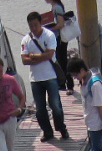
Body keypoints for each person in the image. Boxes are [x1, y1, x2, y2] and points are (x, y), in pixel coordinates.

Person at [21, 12, 69, 142]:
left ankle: (61, 128)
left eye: (35, 25)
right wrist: (39, 58)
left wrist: (33, 57)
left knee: (56, 106)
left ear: (40, 23)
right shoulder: (26, 39)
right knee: (40, 109)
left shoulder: (49, 35)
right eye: (31, 26)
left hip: (50, 76)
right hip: (35, 79)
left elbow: (49, 55)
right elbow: (24, 60)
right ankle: (47, 132)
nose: (33, 28)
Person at [40, 0, 73, 93]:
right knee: (59, 61)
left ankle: (69, 84)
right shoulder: (55, 7)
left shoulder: (57, 8)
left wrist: (50, 29)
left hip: (60, 38)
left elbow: (61, 24)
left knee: (62, 61)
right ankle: (62, 83)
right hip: (56, 38)